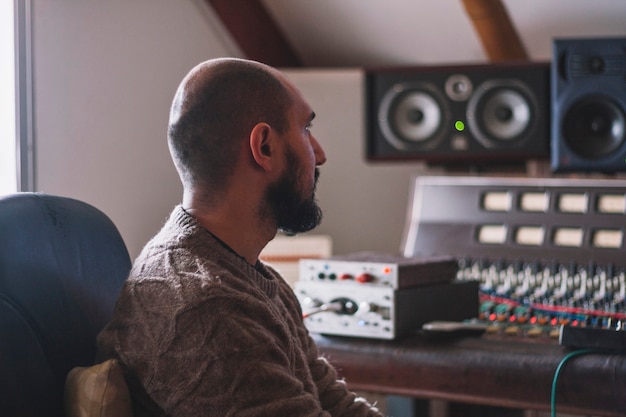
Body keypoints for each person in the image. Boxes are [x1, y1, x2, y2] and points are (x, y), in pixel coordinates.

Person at [97, 57, 384, 417]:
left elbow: (335, 403)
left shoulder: (253, 279)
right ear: (264, 146)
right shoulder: (207, 311)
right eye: (306, 130)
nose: (320, 155)